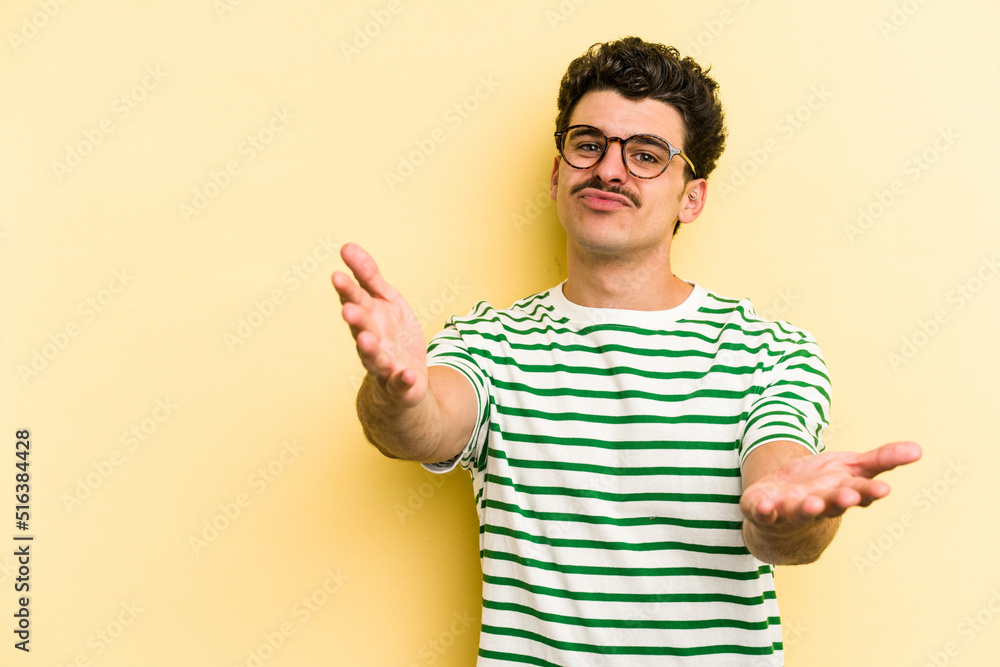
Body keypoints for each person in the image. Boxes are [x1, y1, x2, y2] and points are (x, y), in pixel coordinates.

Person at [332, 37, 921, 666]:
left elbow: (780, 488)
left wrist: (789, 518)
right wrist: (398, 392)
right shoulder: (490, 341)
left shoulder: (768, 352)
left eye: (646, 155)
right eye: (589, 144)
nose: (609, 170)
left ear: (691, 197)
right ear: (557, 175)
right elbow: (424, 426)